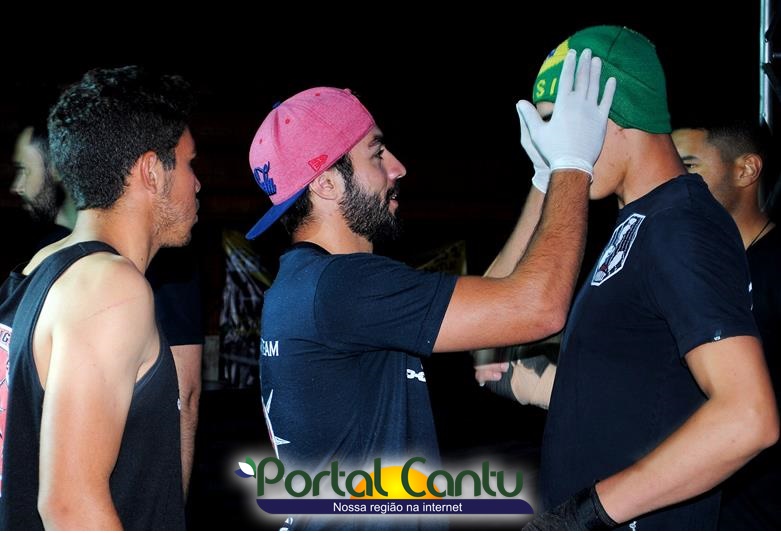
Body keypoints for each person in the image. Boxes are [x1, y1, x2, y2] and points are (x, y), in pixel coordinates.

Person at [247, 50, 615, 530]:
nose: (398, 167)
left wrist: (544, 180)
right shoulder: (344, 287)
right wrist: (572, 165)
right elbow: (537, 308)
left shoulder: (307, 285)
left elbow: (496, 300)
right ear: (328, 184)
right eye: (377, 154)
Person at [484, 25, 777, 530]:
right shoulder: (637, 222)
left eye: (562, 126)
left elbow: (748, 417)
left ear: (614, 115)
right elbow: (494, 322)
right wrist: (547, 178)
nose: (556, 145)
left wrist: (589, 514)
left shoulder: (682, 223)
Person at [0, 65, 199, 529]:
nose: (197, 183)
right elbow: (70, 507)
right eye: (190, 163)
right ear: (153, 171)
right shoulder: (111, 289)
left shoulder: (43, 265)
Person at [672, 122, 781, 529]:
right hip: (697, 502)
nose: (673, 181)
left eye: (688, 166)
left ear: (745, 170)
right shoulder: (691, 265)